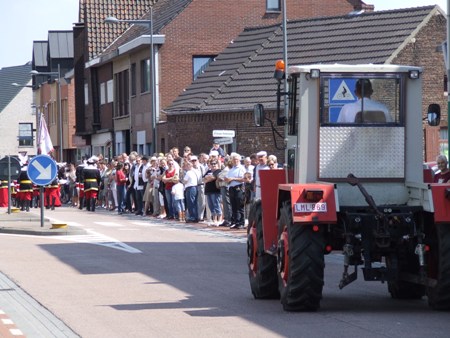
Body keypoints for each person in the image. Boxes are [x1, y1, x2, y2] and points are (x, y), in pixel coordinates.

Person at [225, 153, 246, 229]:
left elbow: (244, 179)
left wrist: (233, 179)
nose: (235, 161)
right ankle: (236, 221)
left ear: (239, 160)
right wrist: (227, 179)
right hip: (231, 188)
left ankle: (241, 222)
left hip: (238, 187)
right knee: (233, 206)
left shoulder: (241, 168)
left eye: (237, 159)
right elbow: (227, 178)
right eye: (234, 159)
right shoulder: (231, 169)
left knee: (239, 205)